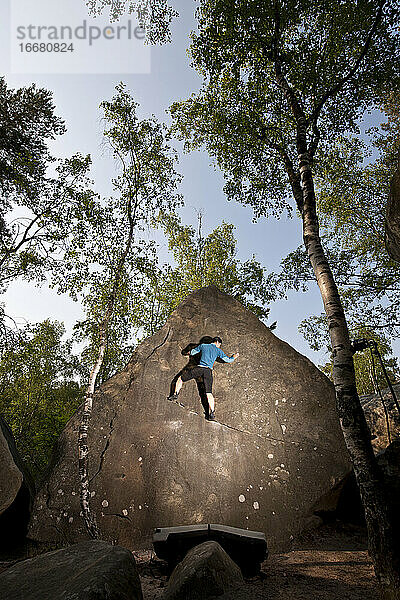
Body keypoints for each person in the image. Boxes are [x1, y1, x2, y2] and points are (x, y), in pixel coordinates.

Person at [168, 336, 239, 421]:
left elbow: (193, 352)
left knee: (181, 378)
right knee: (208, 393)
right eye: (220, 345)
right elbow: (227, 360)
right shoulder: (218, 350)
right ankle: (212, 412)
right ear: (218, 343)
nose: (219, 346)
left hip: (199, 369)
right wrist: (234, 357)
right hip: (208, 371)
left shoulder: (203, 345)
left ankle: (175, 394)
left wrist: (187, 352)